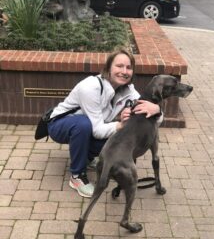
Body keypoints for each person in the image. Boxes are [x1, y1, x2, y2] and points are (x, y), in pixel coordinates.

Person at [48, 48, 162, 198]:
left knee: (119, 142)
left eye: (128, 67)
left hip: (90, 127)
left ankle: (87, 157)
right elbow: (96, 130)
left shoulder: (129, 92)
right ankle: (77, 176)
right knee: (84, 125)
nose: (124, 71)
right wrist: (121, 124)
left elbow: (156, 120)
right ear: (108, 68)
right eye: (119, 66)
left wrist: (156, 110)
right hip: (60, 124)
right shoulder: (90, 87)